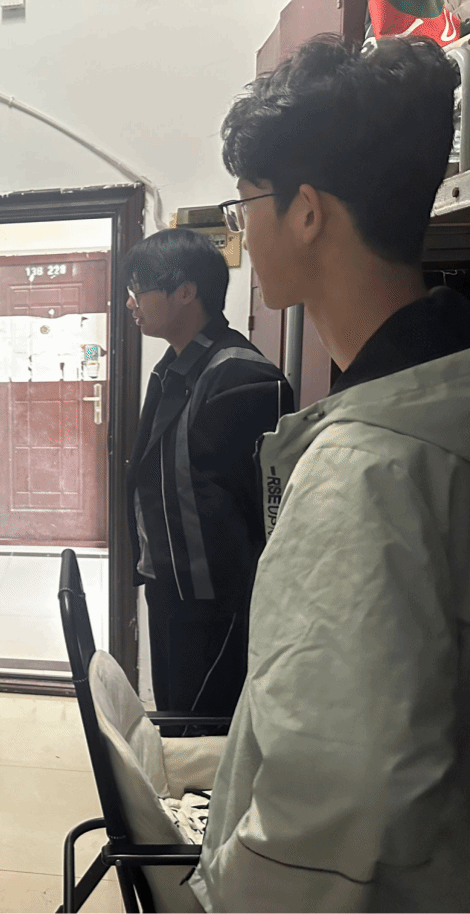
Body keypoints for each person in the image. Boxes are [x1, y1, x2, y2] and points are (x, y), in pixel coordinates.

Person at [191, 36, 470, 913]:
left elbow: (325, 809)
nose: (244, 234)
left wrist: (221, 894)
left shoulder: (363, 470)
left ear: (306, 212)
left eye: (247, 206)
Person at [123, 228, 292, 732]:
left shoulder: (240, 377)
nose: (131, 303)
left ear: (185, 291)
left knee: (205, 730)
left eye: (138, 290)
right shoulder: (178, 366)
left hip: (217, 605)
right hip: (173, 587)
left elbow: (265, 513)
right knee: (177, 720)